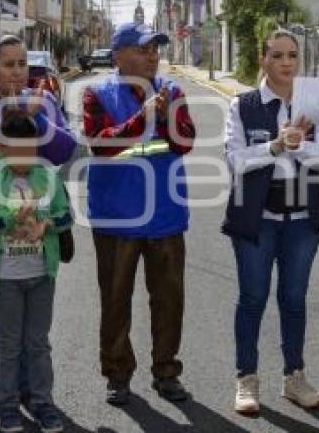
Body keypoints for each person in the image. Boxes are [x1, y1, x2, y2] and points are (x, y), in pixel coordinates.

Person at [0, 34, 76, 414]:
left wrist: (36, 116)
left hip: (36, 224)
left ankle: (25, 385)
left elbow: (63, 150)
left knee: (32, 313)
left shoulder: (45, 101)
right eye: (8, 64)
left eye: (23, 64)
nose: (17, 72)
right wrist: (9, 120)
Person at [82, 22, 196, 406]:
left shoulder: (173, 91)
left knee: (169, 300)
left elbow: (185, 142)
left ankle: (166, 371)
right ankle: (117, 373)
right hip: (117, 218)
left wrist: (163, 117)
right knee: (116, 301)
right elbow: (101, 146)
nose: (153, 56)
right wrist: (142, 118)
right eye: (144, 48)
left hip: (165, 215)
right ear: (119, 55)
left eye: (156, 49)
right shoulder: (96, 93)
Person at [222, 29, 319, 415]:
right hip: (258, 219)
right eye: (277, 55)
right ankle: (247, 380)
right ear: (263, 60)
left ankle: (294, 378)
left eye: (292, 55)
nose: (286, 63)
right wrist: (274, 145)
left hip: (302, 220)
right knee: (252, 299)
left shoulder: (311, 103)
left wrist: (300, 144)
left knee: (293, 299)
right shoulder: (243, 105)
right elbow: (235, 160)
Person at [0, 110, 71, 433]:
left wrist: (47, 225)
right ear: (0, 148)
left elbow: (66, 216)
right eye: (17, 150)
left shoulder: (48, 178)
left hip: (41, 275)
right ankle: (8, 405)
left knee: (38, 343)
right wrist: (9, 219)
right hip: (6, 278)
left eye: (31, 149)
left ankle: (43, 403)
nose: (25, 157)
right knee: (9, 344)